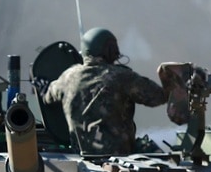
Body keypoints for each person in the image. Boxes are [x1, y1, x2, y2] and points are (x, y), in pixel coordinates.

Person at [36, 27, 182, 156]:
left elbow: (48, 97)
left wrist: (45, 86)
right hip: (119, 156)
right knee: (158, 154)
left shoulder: (68, 77)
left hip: (81, 154)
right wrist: (174, 81)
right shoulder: (122, 77)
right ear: (111, 50)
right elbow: (158, 97)